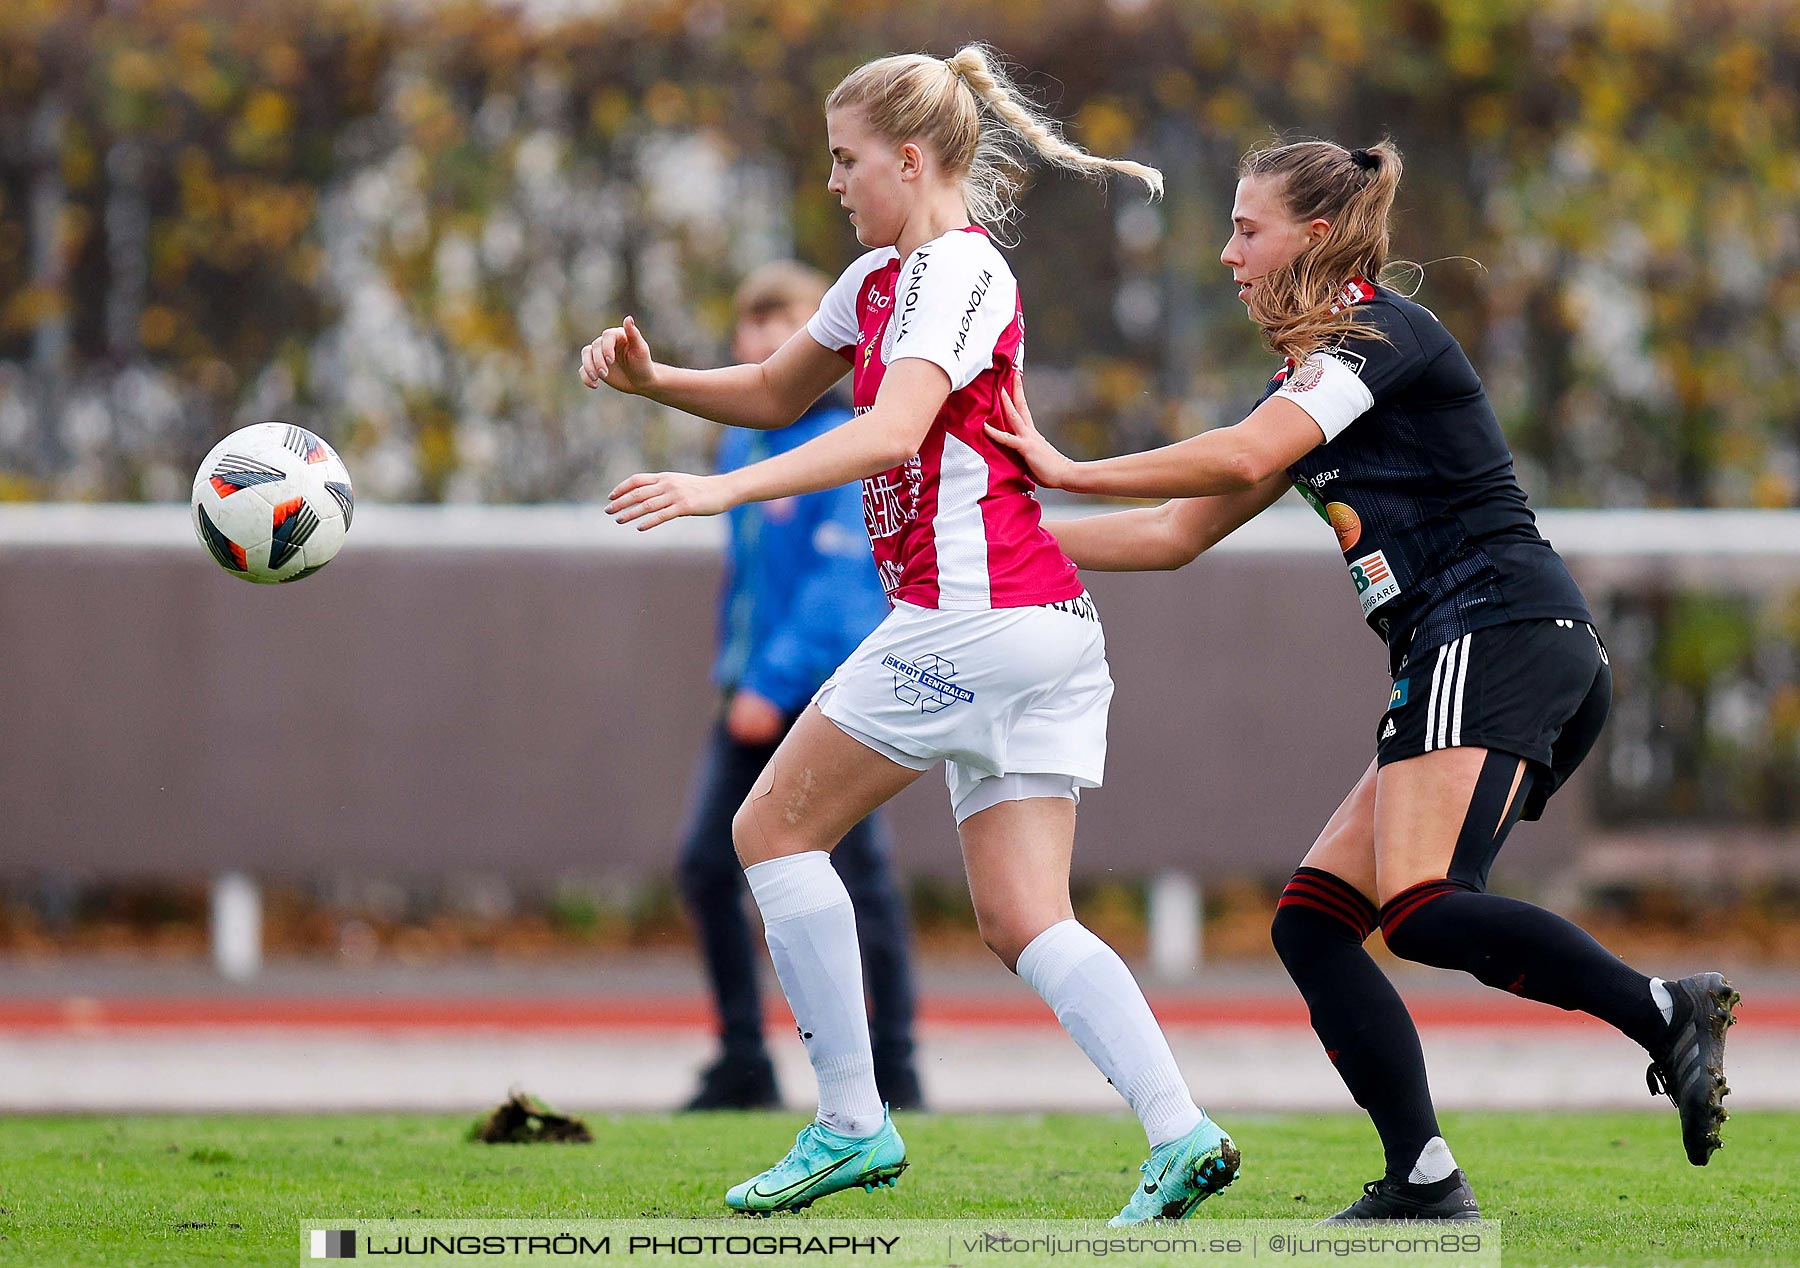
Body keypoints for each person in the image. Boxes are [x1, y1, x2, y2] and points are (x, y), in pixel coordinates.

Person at [987, 137, 1739, 1222]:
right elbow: (1170, 533)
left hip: (1497, 632)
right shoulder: (1308, 380)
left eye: (1248, 229)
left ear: (1320, 234)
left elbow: (1245, 455)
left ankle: (1662, 1006)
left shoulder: (1377, 332)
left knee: (1427, 906)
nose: (1228, 253)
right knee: (1314, 918)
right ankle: (1426, 1179)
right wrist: (1007, 537)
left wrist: (1063, 463)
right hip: (1479, 649)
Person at [582, 45, 1236, 1224]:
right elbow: (779, 390)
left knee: (769, 828)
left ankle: (849, 1119)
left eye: (844, 159)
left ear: (910, 157)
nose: (832, 182)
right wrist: (655, 381)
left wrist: (713, 493)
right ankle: (1181, 1130)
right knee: (1024, 916)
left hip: (975, 615)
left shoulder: (957, 275)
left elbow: (890, 432)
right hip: (1036, 627)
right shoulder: (876, 279)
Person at [676, 262, 922, 1113]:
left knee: (859, 882)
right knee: (709, 866)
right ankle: (744, 1056)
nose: (763, 338)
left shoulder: (846, 443)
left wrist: (772, 681)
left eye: (785, 323)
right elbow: (748, 585)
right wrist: (737, 672)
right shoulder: (739, 443)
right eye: (752, 323)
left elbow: (837, 591)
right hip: (745, 692)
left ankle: (897, 1068)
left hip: (822, 696)